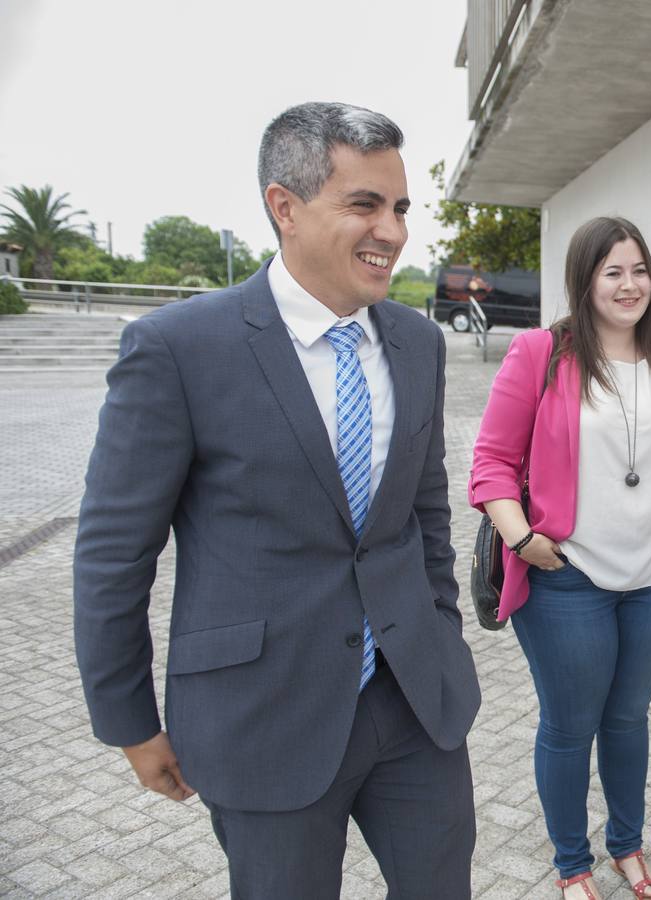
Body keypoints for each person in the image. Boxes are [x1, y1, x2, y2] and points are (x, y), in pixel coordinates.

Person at [73, 102, 481, 898]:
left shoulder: (417, 342)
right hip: (261, 717)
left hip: (414, 706)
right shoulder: (179, 349)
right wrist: (127, 718)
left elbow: (426, 514)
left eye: (399, 207)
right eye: (363, 204)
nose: (392, 231)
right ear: (283, 208)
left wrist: (440, 629)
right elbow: (114, 553)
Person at [469, 216, 651, 900]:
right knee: (571, 725)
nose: (629, 284)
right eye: (612, 272)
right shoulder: (540, 353)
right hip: (565, 581)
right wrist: (522, 538)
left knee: (629, 719)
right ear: (585, 279)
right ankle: (573, 864)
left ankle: (628, 848)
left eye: (639, 270)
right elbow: (490, 463)